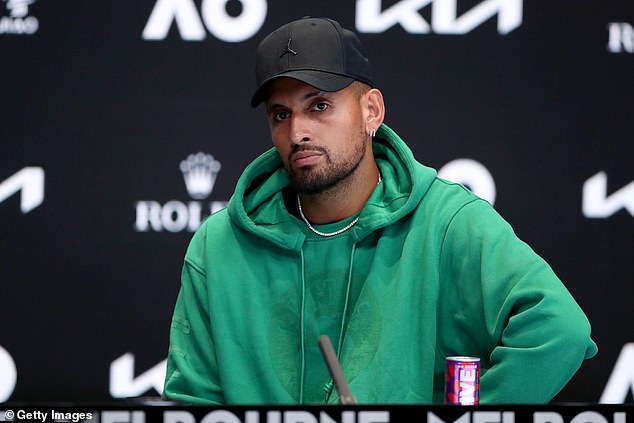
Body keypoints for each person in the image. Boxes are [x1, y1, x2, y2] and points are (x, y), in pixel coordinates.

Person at [163, 16, 597, 404]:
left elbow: (558, 331)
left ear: (371, 110)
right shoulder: (219, 246)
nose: (298, 132)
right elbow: (192, 402)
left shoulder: (446, 222)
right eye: (281, 114)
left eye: (319, 106)